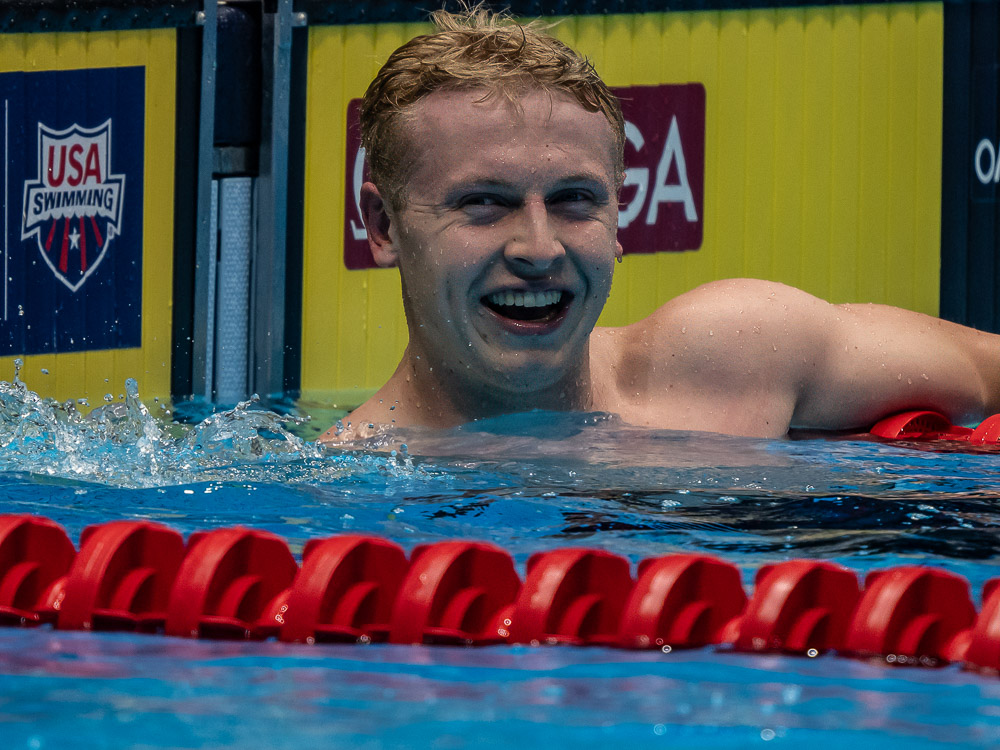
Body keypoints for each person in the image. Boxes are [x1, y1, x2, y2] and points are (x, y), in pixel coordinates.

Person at [320, 6, 1000, 442]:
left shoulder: (734, 361)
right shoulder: (339, 493)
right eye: (484, 204)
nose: (538, 247)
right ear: (382, 227)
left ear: (618, 214)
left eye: (574, 199)